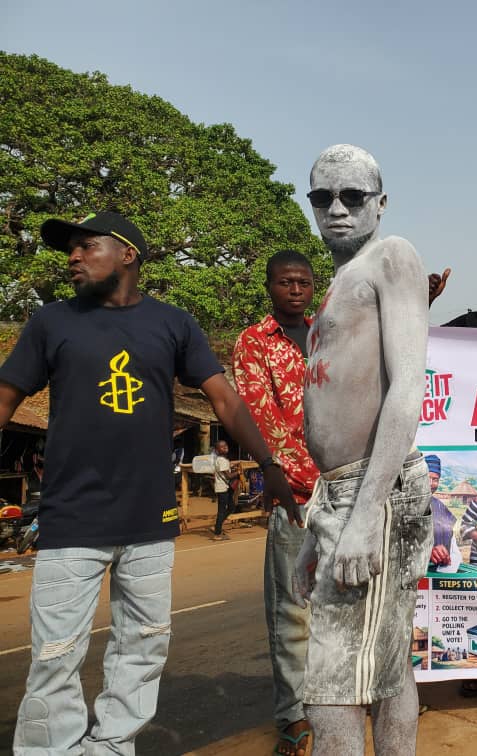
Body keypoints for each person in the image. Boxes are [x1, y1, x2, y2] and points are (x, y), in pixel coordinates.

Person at [0, 210, 298, 754]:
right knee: (54, 656)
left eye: (86, 246)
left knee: (142, 650)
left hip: (150, 522)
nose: (73, 256)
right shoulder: (52, 322)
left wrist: (271, 466)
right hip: (72, 520)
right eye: (71, 249)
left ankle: (114, 747)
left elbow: (224, 399)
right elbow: (5, 399)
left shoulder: (174, 323)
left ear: (127, 254)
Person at [292, 145, 431, 756]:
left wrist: (367, 510)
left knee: (332, 687)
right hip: (345, 491)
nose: (338, 209)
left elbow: (407, 387)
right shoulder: (342, 279)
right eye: (323, 197)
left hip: (372, 489)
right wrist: (316, 530)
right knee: (385, 667)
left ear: (381, 202)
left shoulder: (391, 256)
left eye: (353, 196)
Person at [233, 249, 320, 756]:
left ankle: (346, 697)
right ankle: (294, 716)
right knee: (293, 612)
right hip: (295, 495)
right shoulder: (253, 342)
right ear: (269, 286)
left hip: (344, 490)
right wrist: (279, 477)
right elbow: (258, 415)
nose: (294, 289)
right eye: (285, 282)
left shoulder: (329, 334)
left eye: (303, 282)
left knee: (348, 605)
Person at [424, 454, 461, 572]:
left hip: (439, 571)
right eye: (426, 478)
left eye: (435, 479)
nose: (430, 483)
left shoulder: (440, 507)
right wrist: (427, 551)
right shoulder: (406, 505)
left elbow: (452, 543)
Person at [210, 439, 239, 540]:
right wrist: (239, 473)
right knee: (222, 511)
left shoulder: (222, 459)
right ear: (217, 450)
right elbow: (228, 476)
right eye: (222, 447)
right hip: (222, 488)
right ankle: (217, 533)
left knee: (231, 507)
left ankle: (217, 526)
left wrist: (233, 466)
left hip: (226, 488)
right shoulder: (221, 460)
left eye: (225, 445)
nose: (225, 447)